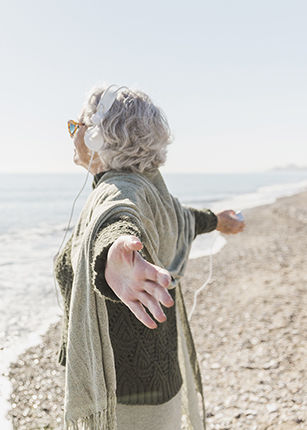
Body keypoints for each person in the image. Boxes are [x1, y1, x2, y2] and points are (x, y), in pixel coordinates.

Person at [54, 85, 244, 430]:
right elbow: (180, 215)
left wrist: (112, 253)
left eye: (74, 126)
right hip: (158, 371)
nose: (71, 135)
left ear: (97, 136)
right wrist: (218, 221)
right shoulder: (149, 187)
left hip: (125, 388)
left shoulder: (119, 190)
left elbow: (119, 220)